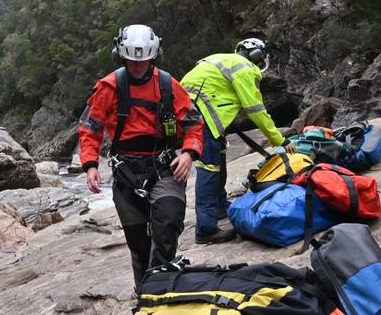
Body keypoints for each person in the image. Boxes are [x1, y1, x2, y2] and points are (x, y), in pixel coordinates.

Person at [79, 24, 203, 288]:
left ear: (153, 56)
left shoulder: (169, 85)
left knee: (167, 224)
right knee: (138, 242)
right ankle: (144, 292)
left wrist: (190, 153)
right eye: (133, 61)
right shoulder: (108, 87)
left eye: (144, 60)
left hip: (164, 166)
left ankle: (161, 288)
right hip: (127, 171)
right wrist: (90, 165)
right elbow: (90, 128)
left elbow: (193, 123)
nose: (138, 66)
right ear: (120, 56)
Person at [180, 38, 295, 245]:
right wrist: (279, 139)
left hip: (191, 112)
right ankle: (205, 230)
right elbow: (255, 109)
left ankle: (220, 207)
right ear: (257, 57)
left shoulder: (223, 59)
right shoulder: (245, 68)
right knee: (209, 169)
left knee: (218, 158)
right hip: (201, 117)